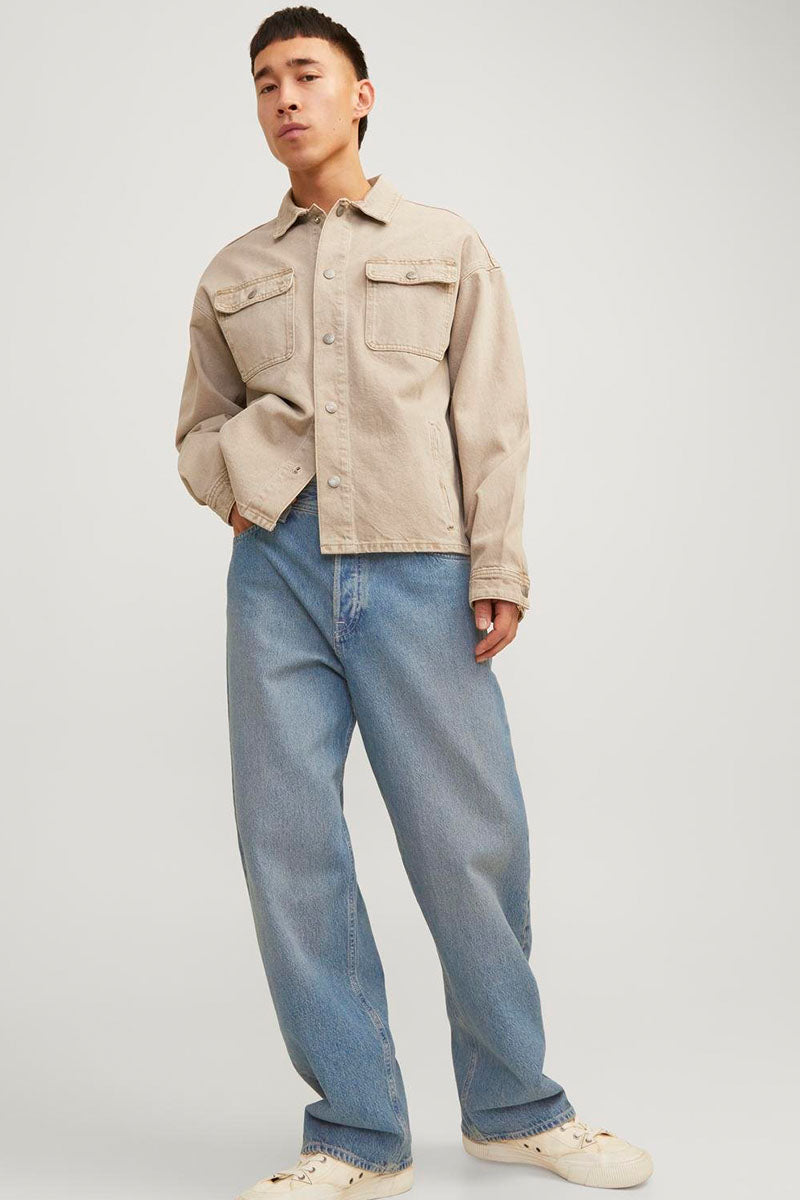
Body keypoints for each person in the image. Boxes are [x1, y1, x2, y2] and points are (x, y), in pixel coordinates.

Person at [174, 7, 654, 1197]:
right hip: (277, 578)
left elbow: (491, 416)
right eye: (264, 83)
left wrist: (497, 565)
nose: (284, 98)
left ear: (361, 94)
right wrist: (247, 482)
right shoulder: (233, 271)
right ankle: (354, 1133)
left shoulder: (444, 244)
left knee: (466, 844)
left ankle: (514, 1107)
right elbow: (197, 432)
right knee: (289, 851)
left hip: (420, 567)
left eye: (306, 74)